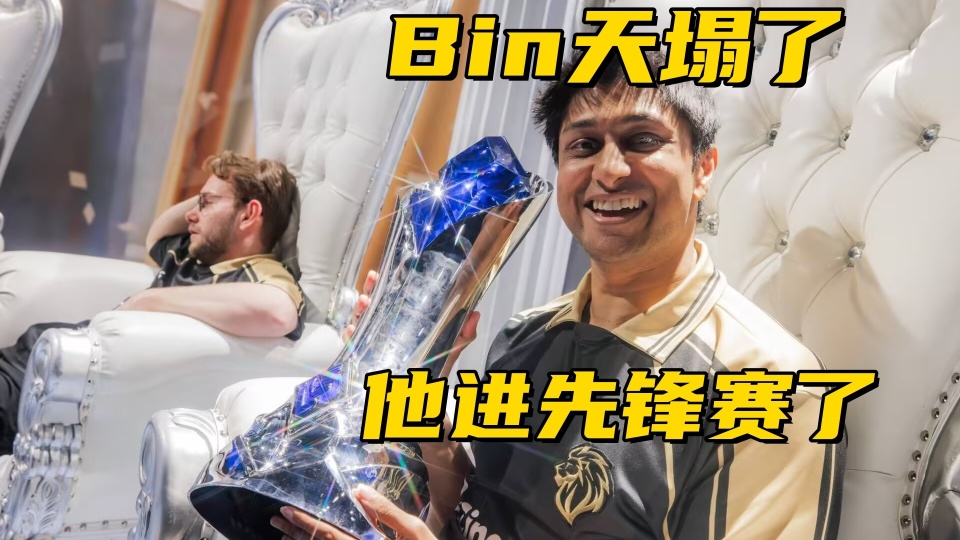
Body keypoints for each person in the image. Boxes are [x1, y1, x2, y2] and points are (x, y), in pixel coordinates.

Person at [271, 49, 844, 540]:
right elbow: (471, 512)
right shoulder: (525, 334)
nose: (609, 171)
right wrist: (412, 391)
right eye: (584, 145)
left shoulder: (772, 385)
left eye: (642, 140)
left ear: (703, 169)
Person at [0, 150, 305, 454]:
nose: (191, 215)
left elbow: (279, 312)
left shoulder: (257, 274)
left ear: (249, 215)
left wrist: (150, 300)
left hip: (57, 385)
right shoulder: (192, 252)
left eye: (206, 203)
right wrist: (228, 184)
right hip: (38, 355)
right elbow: (157, 233)